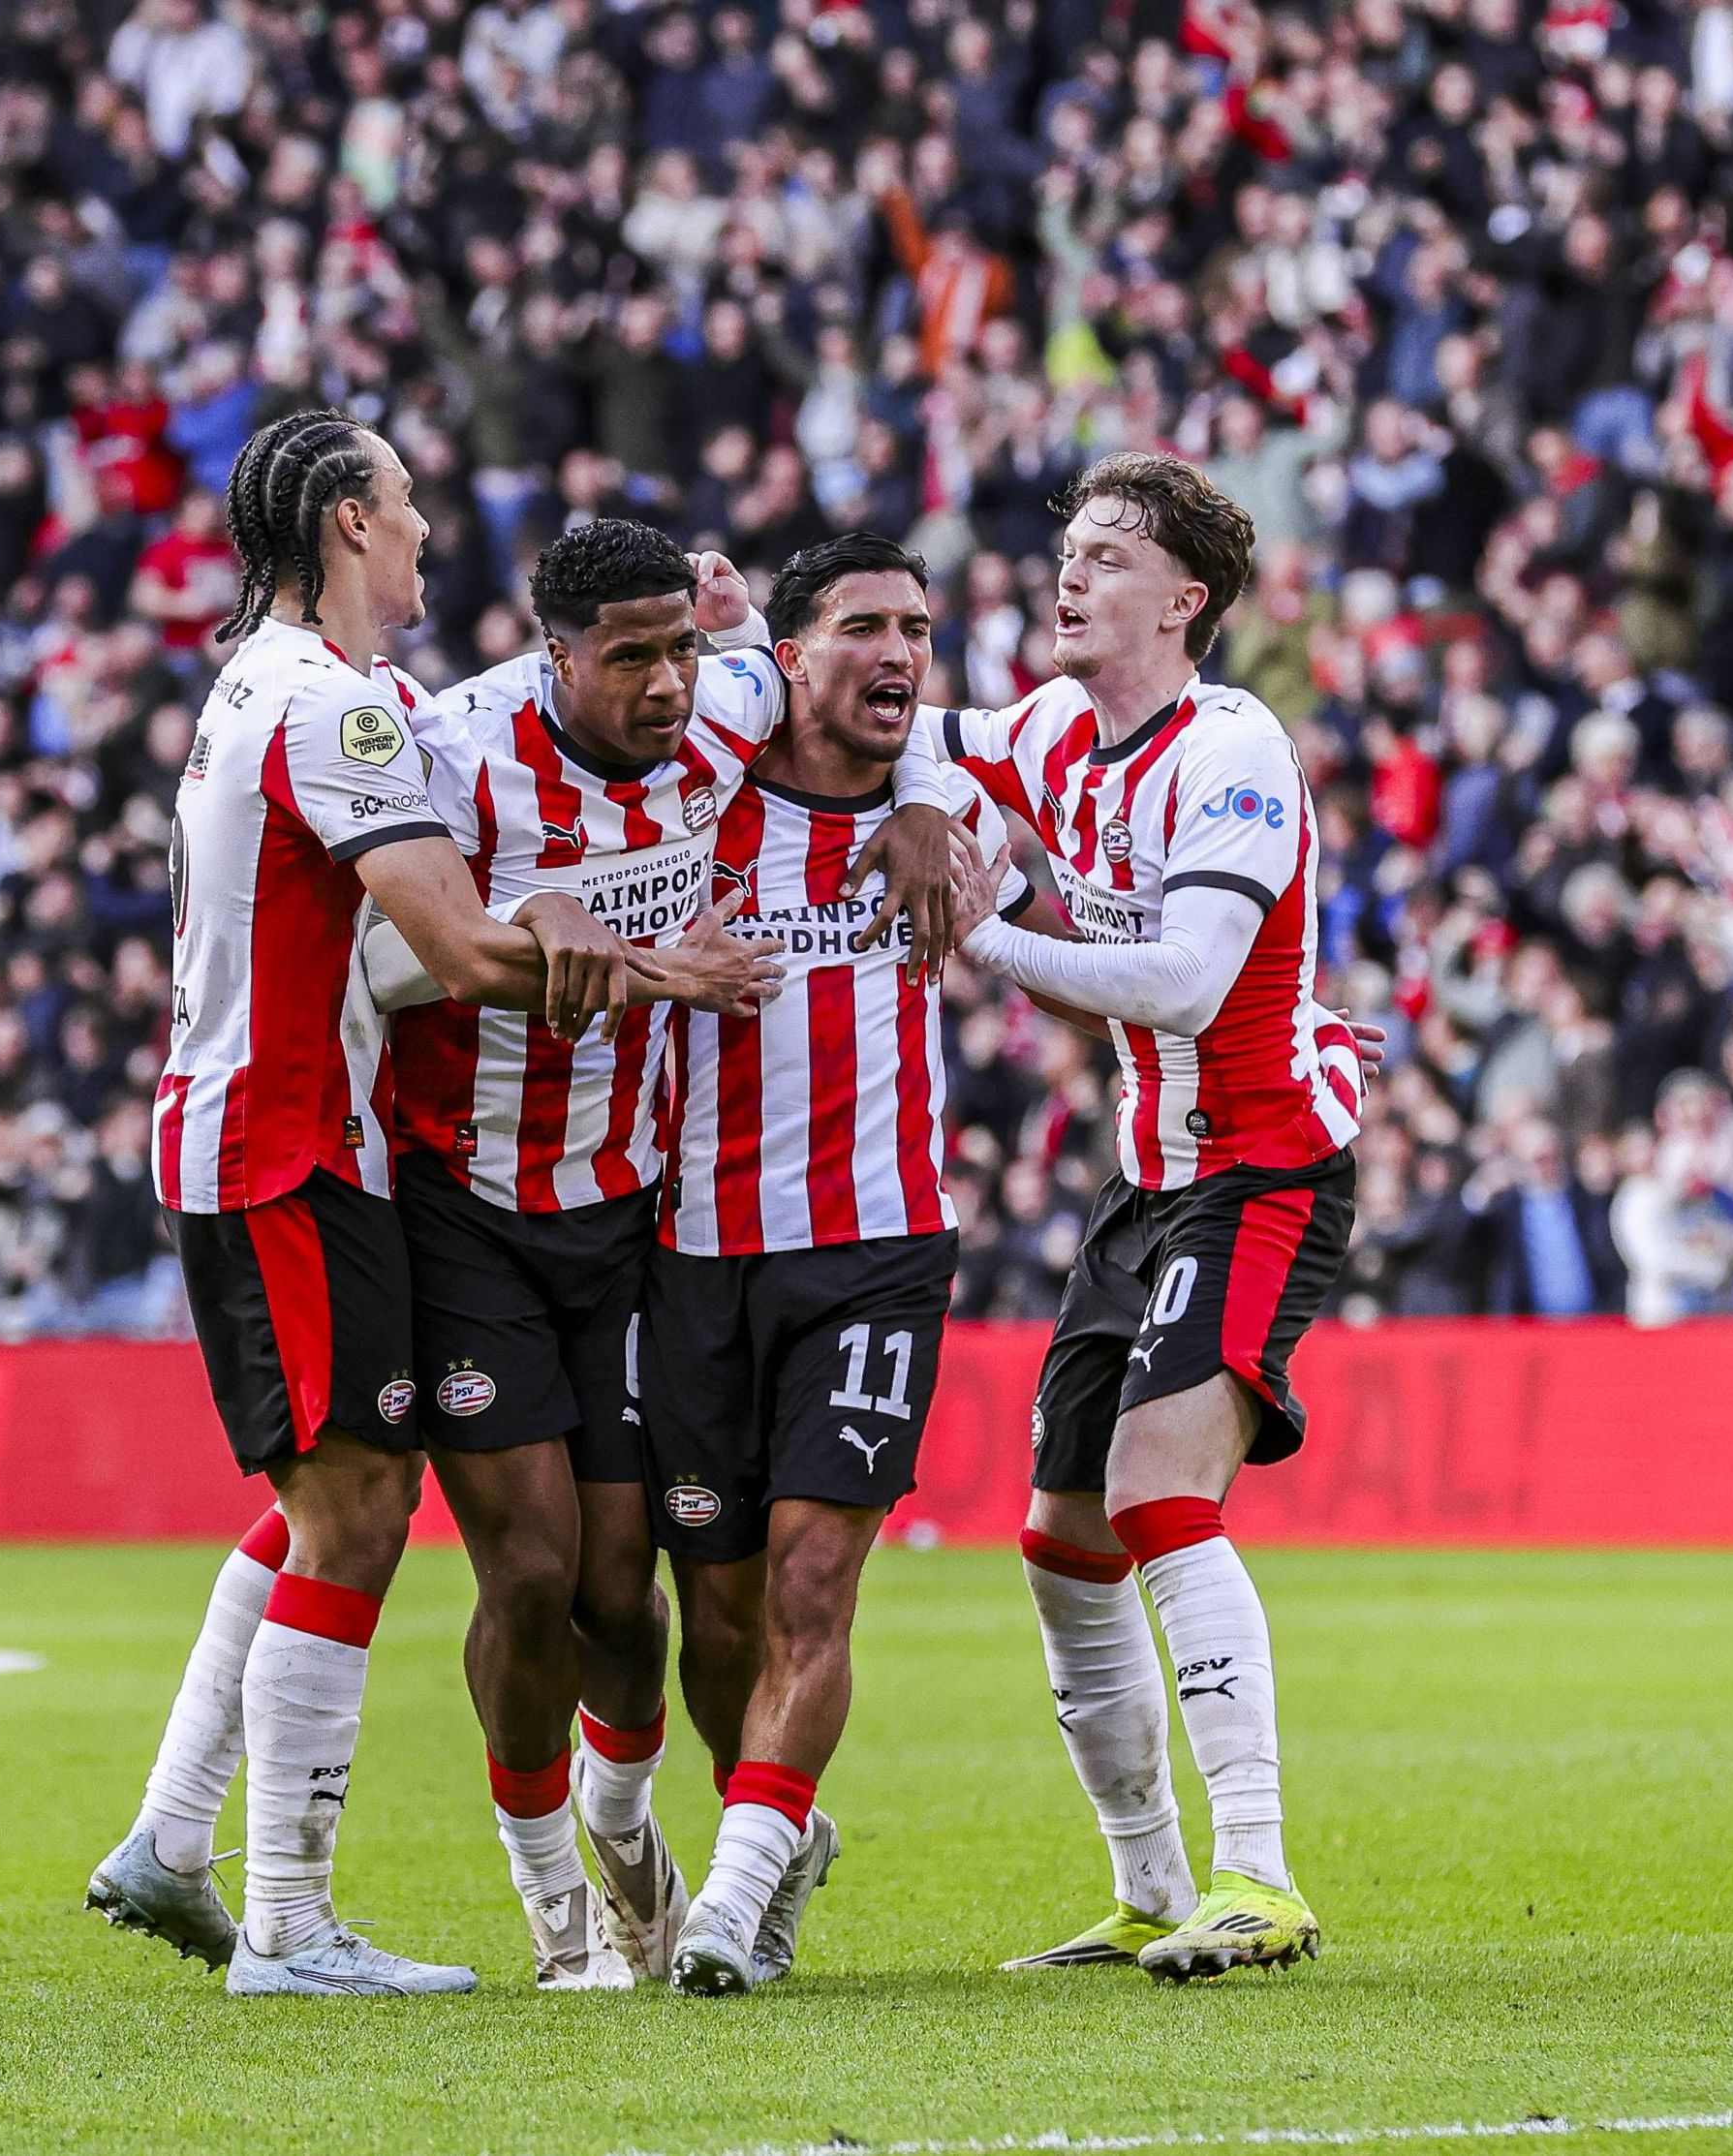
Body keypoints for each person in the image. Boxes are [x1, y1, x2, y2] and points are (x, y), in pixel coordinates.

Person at [85, 408, 665, 1998]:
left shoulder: (281, 688)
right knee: (353, 1513)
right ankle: (287, 1925)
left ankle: (175, 1842)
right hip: (281, 1148)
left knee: (326, 1499)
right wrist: (602, 940)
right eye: (405, 510)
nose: (423, 536)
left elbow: (404, 907)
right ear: (347, 522)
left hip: (283, 1136)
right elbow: (462, 951)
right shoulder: (330, 711)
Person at [365, 518, 975, 1988]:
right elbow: (389, 956)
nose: (661, 685)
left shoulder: (728, 705)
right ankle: (557, 1905)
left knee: (633, 1592)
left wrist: (926, 793)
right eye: (626, 657)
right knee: (532, 1577)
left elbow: (881, 690)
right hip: (466, 1209)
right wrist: (533, 920)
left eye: (678, 652)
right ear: (553, 654)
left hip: (631, 1220)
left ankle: (637, 1832)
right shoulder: (454, 749)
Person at [940, 453, 1367, 1982]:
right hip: (1148, 1173)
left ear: (1185, 599)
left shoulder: (1234, 750)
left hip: (1261, 1165)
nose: (1071, 575)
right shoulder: (1052, 728)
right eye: (1067, 549)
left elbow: (1187, 981)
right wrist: (757, 653)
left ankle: (1258, 1875)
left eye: (1110, 556)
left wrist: (980, 927)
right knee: (1060, 1538)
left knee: (1153, 1487)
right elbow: (907, 747)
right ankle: (1146, 1885)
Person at [639, 534, 1026, 1994]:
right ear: (782, 659)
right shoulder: (697, 794)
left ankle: (729, 1907)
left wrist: (928, 795)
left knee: (814, 1579)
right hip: (690, 1251)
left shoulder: (953, 795)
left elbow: (1038, 776)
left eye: (917, 628)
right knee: (716, 1609)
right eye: (861, 624)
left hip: (874, 1250)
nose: (898, 650)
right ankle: (783, 1829)